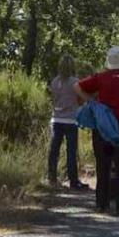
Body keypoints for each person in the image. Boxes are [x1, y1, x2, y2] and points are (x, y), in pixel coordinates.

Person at [75, 46, 119, 216]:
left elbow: (77, 86)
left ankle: (101, 204)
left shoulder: (100, 77)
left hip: (103, 127)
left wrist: (91, 101)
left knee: (103, 165)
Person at [47, 54, 87, 190]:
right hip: (70, 120)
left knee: (54, 150)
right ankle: (73, 180)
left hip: (56, 118)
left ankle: (51, 177)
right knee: (71, 151)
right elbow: (82, 98)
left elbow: (53, 99)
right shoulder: (75, 82)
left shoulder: (54, 82)